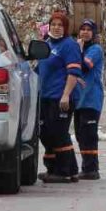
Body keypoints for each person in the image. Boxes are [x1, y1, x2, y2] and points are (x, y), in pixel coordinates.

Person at [38, 11, 82, 183]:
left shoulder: (68, 45)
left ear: (65, 28)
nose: (56, 28)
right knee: (47, 133)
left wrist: (66, 95)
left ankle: (63, 171)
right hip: (46, 96)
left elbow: (73, 72)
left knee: (58, 133)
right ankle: (62, 169)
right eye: (53, 24)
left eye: (60, 25)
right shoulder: (48, 44)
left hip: (61, 97)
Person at [72, 19, 105, 180]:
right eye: (82, 29)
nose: (85, 32)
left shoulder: (95, 49)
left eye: (88, 30)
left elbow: (85, 66)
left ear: (93, 33)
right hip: (79, 99)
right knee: (79, 134)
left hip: (91, 99)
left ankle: (92, 169)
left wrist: (77, 50)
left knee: (88, 134)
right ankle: (86, 167)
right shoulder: (79, 49)